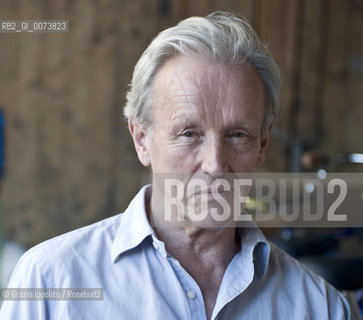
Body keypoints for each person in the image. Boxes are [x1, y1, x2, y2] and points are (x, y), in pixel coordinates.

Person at [0, 11, 350, 319]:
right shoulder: (50, 282)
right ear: (141, 139)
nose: (214, 164)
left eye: (238, 135)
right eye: (189, 134)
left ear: (263, 142)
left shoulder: (321, 308)